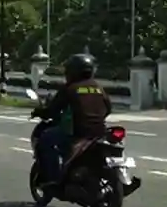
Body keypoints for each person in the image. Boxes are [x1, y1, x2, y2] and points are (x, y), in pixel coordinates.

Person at [32, 53, 111, 187]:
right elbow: (108, 108)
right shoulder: (98, 88)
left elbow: (53, 109)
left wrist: (39, 112)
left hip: (77, 132)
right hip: (99, 132)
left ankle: (52, 178)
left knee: (45, 139)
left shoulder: (70, 88)